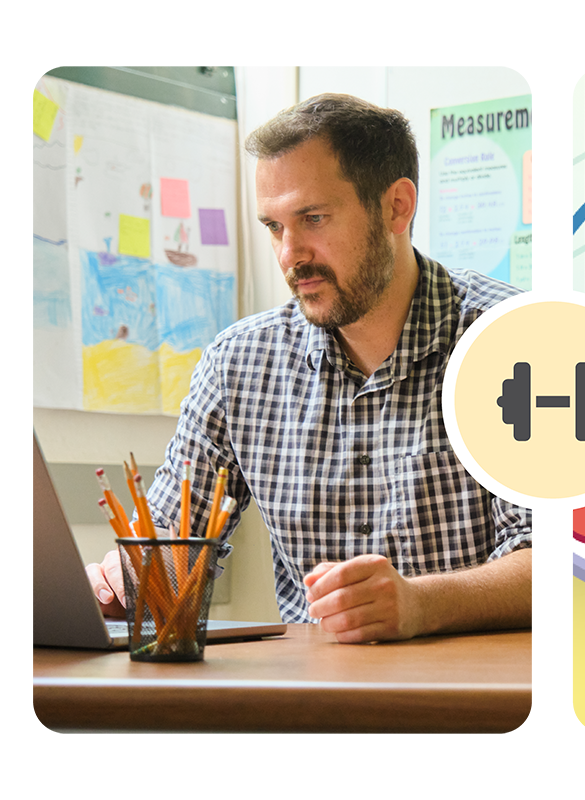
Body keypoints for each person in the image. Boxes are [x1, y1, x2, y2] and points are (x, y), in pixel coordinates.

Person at [86, 94, 534, 643]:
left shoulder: (518, 340)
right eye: (274, 227)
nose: (290, 255)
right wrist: (122, 583)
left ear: (397, 206)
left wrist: (419, 605)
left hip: (485, 703)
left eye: (313, 218)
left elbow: (567, 565)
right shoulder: (237, 366)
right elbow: (172, 550)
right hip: (312, 705)